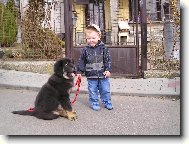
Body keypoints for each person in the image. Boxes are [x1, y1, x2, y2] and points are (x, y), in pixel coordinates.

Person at [77, 24, 113, 111]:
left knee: (105, 90)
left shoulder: (103, 48)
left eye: (93, 38)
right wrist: (79, 72)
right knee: (92, 91)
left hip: (103, 75)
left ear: (99, 37)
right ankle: (94, 102)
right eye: (89, 38)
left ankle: (107, 102)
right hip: (91, 75)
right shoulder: (85, 49)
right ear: (86, 38)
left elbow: (107, 60)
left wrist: (108, 70)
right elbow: (82, 61)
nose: (91, 40)